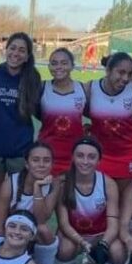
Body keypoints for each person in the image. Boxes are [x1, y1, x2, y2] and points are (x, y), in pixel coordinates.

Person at [0, 32, 41, 224]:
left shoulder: (32, 78)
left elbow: (40, 111)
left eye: (22, 50)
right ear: (5, 50)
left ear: (28, 56)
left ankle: (15, 240)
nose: (16, 53)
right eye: (13, 48)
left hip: (20, 152)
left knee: (17, 204)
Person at [0, 142, 61, 264]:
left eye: (46, 160)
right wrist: (10, 246)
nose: (41, 165)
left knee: (44, 231)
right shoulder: (10, 184)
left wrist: (37, 188)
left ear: (52, 164)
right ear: (27, 164)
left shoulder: (54, 185)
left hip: (32, 235)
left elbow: (41, 220)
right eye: (36, 160)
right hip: (9, 235)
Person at [55, 137, 126, 264]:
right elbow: (63, 223)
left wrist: (103, 245)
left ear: (99, 160)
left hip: (100, 235)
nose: (85, 161)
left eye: (91, 157)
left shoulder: (108, 184)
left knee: (118, 254)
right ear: (72, 157)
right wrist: (81, 242)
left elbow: (113, 223)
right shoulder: (63, 182)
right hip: (73, 234)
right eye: (80, 155)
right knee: (64, 249)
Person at [86, 52, 132, 190]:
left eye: (129, 73)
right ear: (108, 70)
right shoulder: (90, 88)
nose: (125, 78)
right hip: (100, 155)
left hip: (128, 155)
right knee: (101, 199)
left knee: (124, 200)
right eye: (121, 72)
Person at [38, 48, 87, 176]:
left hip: (75, 154)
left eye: (64, 63)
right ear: (49, 66)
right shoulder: (41, 87)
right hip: (47, 154)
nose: (59, 67)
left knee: (71, 188)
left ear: (72, 66)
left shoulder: (84, 89)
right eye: (54, 63)